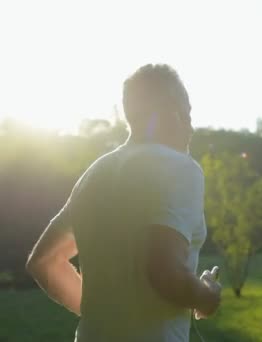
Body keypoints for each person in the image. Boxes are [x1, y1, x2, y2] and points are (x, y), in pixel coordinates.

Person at [25, 64, 221, 342]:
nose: (190, 128)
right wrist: (207, 296)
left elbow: (45, 261)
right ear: (174, 111)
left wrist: (104, 314)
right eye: (188, 114)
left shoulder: (94, 174)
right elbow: (165, 273)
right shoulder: (180, 168)